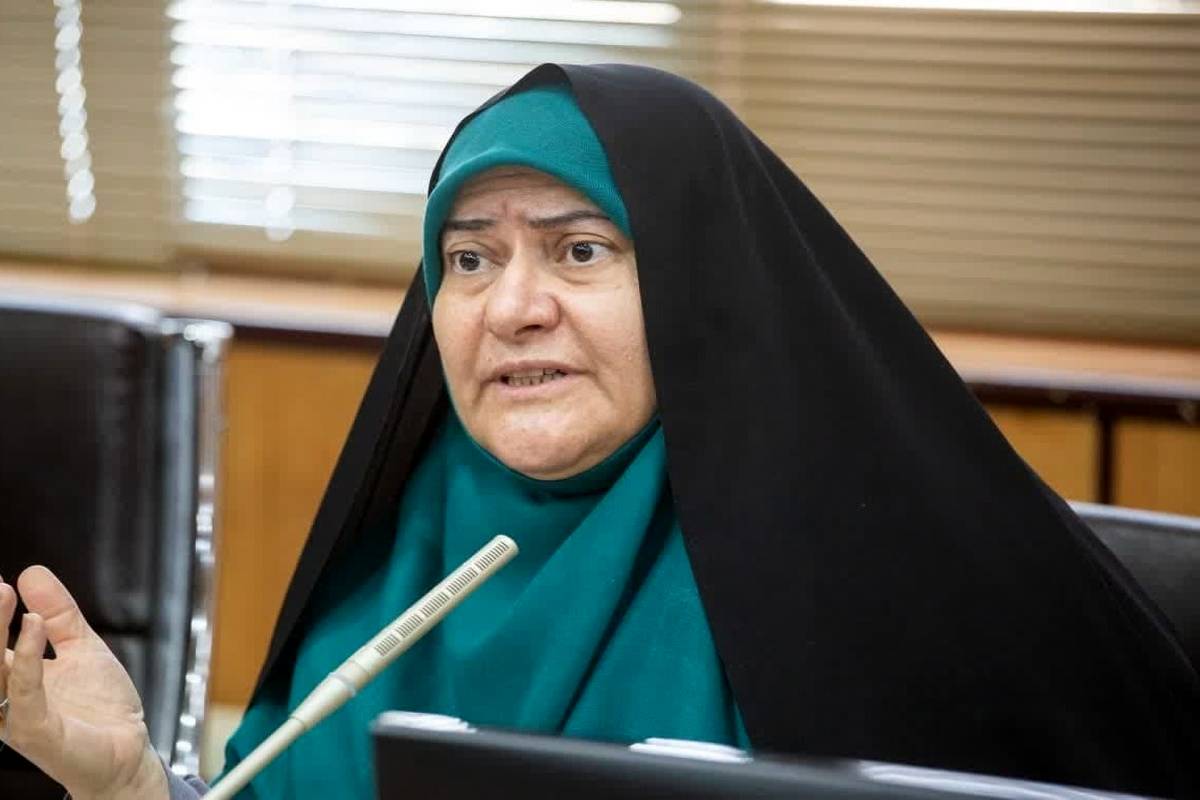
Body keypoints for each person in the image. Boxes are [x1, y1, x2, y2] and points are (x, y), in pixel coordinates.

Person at [1, 63, 1197, 800]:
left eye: (580, 249)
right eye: (470, 259)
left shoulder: (891, 587)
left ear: (696, 287)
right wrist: (136, 786)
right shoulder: (386, 577)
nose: (513, 306)